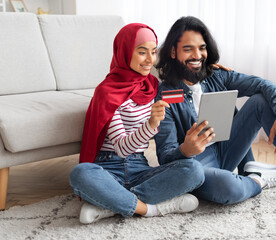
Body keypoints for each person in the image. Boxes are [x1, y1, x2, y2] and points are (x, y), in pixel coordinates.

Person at [154, 16, 276, 208]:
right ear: (173, 52)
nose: (197, 55)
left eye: (202, 48)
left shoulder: (217, 76)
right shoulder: (166, 95)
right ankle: (258, 179)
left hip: (228, 150)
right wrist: (185, 150)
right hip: (196, 166)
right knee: (227, 187)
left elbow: (264, 85)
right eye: (188, 49)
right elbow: (165, 158)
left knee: (260, 100)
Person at [69, 23, 205, 224]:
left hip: (140, 168)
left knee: (194, 170)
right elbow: (122, 149)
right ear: (125, 53)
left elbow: (183, 83)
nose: (150, 60)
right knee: (80, 174)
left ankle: (110, 205)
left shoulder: (152, 86)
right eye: (142, 52)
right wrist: (150, 124)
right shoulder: (107, 92)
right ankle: (150, 209)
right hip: (107, 169)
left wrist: (210, 69)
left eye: (153, 52)